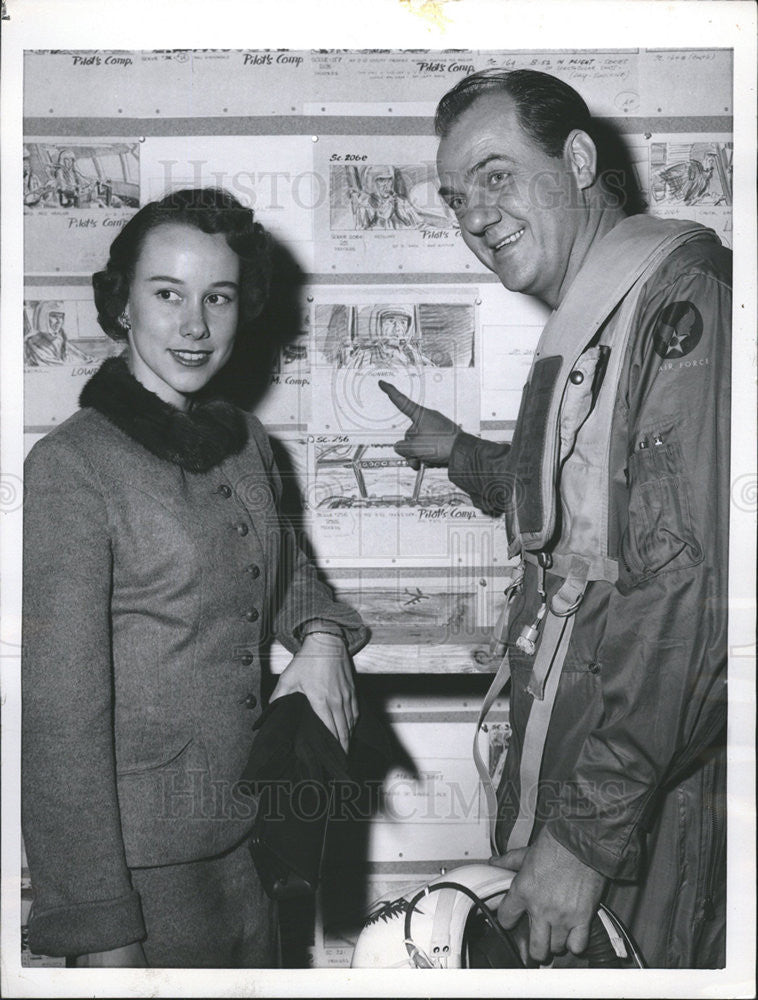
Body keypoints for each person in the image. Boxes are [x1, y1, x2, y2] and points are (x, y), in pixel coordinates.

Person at [380, 69, 730, 968]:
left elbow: (687, 599)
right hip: (581, 773)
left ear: (578, 159)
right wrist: (456, 450)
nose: (472, 215)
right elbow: (576, 517)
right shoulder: (587, 321)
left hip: (646, 808)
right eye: (457, 196)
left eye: (496, 175)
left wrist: (582, 841)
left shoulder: (685, 303)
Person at [22, 188, 368, 968]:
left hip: (250, 848)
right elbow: (59, 722)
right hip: (141, 876)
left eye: (218, 297)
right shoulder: (72, 467)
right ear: (121, 307)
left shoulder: (244, 444)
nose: (195, 325)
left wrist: (319, 636)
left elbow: (286, 575)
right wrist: (101, 927)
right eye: (167, 294)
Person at [349, 165, 422, 230]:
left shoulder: (402, 203)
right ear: (372, 183)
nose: (387, 185)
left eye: (389, 180)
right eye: (381, 180)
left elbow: (420, 226)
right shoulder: (364, 207)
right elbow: (360, 234)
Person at [24, 300, 93, 367]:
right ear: (42, 318)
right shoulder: (33, 342)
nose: (59, 321)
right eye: (54, 316)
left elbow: (82, 357)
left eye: (61, 317)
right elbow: (54, 365)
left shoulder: (60, 339)